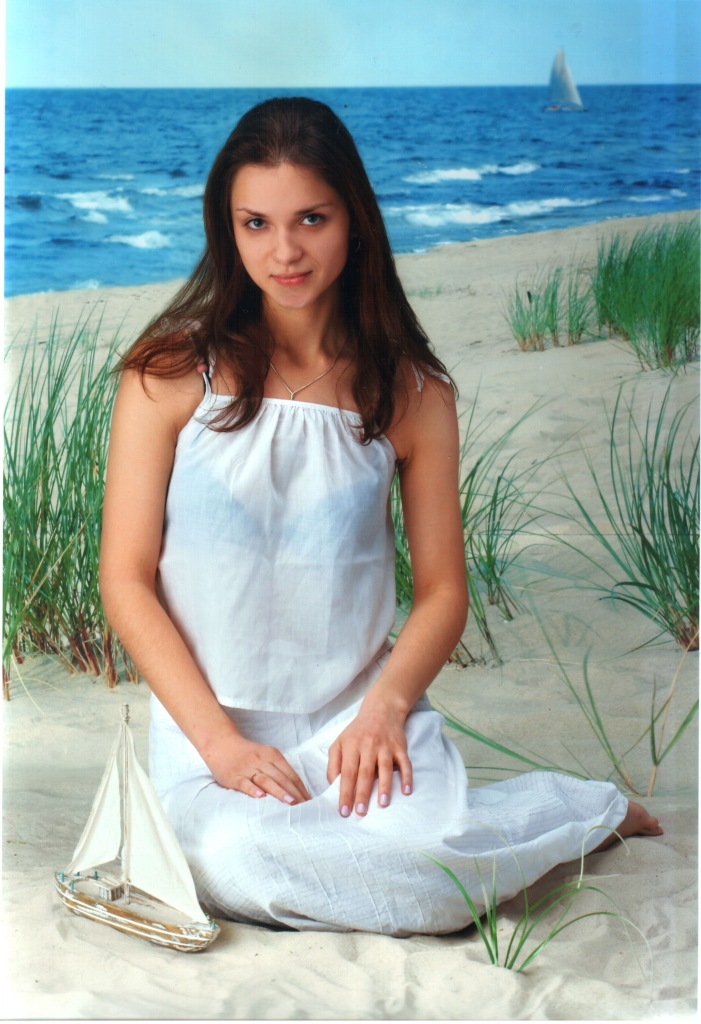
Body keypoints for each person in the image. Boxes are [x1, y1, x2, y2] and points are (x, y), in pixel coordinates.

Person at [99, 97, 661, 936]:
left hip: (356, 717)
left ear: (354, 219)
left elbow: (442, 593)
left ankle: (577, 810)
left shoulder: (413, 392)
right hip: (209, 729)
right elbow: (125, 579)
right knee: (238, 858)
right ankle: (542, 820)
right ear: (227, 228)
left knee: (431, 874)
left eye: (311, 219)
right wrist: (218, 744)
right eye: (256, 223)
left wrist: (385, 709)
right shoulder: (169, 371)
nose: (284, 252)